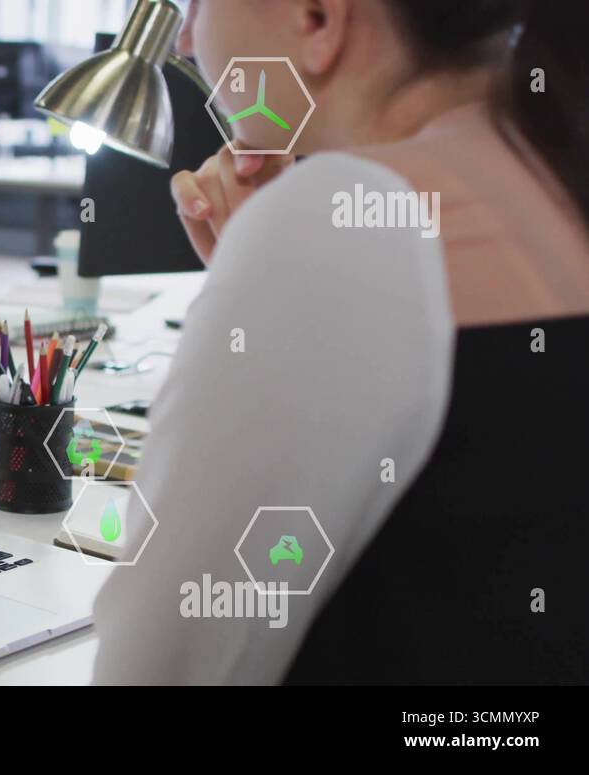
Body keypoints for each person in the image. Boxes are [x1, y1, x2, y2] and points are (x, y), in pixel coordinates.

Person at [93, 0, 588, 683]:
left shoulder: (338, 219)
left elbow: (152, 667)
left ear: (319, 20)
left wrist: (278, 267)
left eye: (200, 4)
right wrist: (265, 295)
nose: (183, 35)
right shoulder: (555, 170)